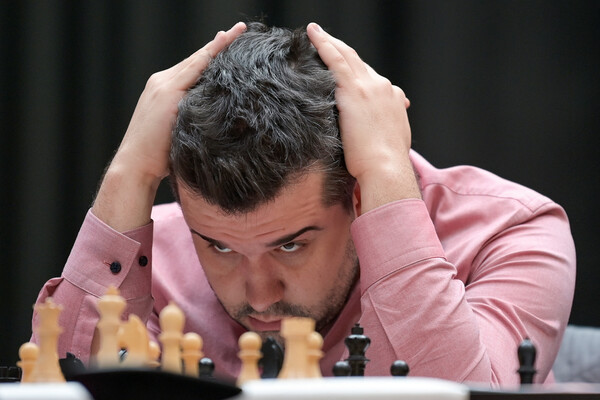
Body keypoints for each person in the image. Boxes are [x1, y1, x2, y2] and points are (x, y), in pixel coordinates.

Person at [31, 21, 576, 386]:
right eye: (219, 246)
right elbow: (60, 380)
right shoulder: (158, 256)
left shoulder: (511, 232)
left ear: (356, 194)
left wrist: (387, 175)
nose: (258, 295)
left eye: (290, 245)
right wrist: (127, 174)